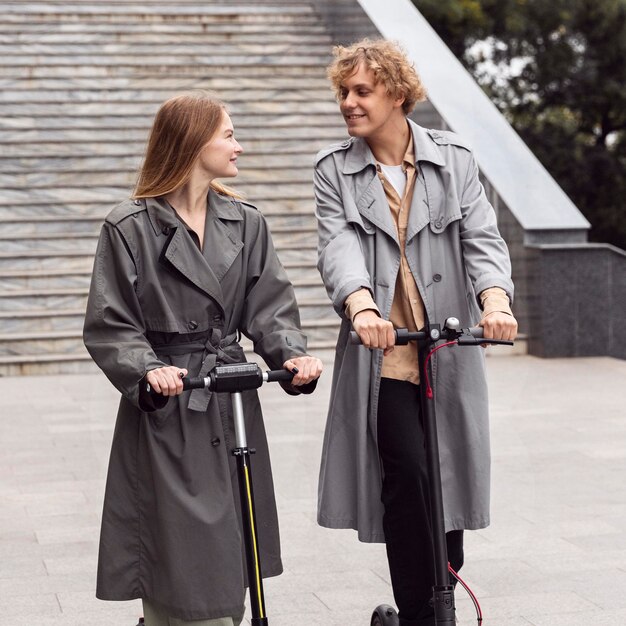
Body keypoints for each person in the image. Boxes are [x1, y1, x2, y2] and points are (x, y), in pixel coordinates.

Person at [83, 90, 322, 626]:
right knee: (180, 561)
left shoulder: (245, 221)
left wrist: (294, 356)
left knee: (231, 549)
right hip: (170, 404)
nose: (239, 145)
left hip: (228, 396)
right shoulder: (129, 227)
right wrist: (147, 368)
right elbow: (111, 322)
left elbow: (272, 306)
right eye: (229, 134)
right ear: (194, 143)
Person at [314, 39, 518, 626]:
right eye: (344, 93)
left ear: (397, 95)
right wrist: (361, 309)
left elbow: (482, 239)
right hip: (385, 358)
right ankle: (420, 613)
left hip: (447, 352)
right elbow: (338, 246)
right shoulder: (335, 171)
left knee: (447, 478)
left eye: (361, 92)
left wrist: (496, 301)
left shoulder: (452, 160)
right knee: (407, 475)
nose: (348, 103)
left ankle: (440, 600)